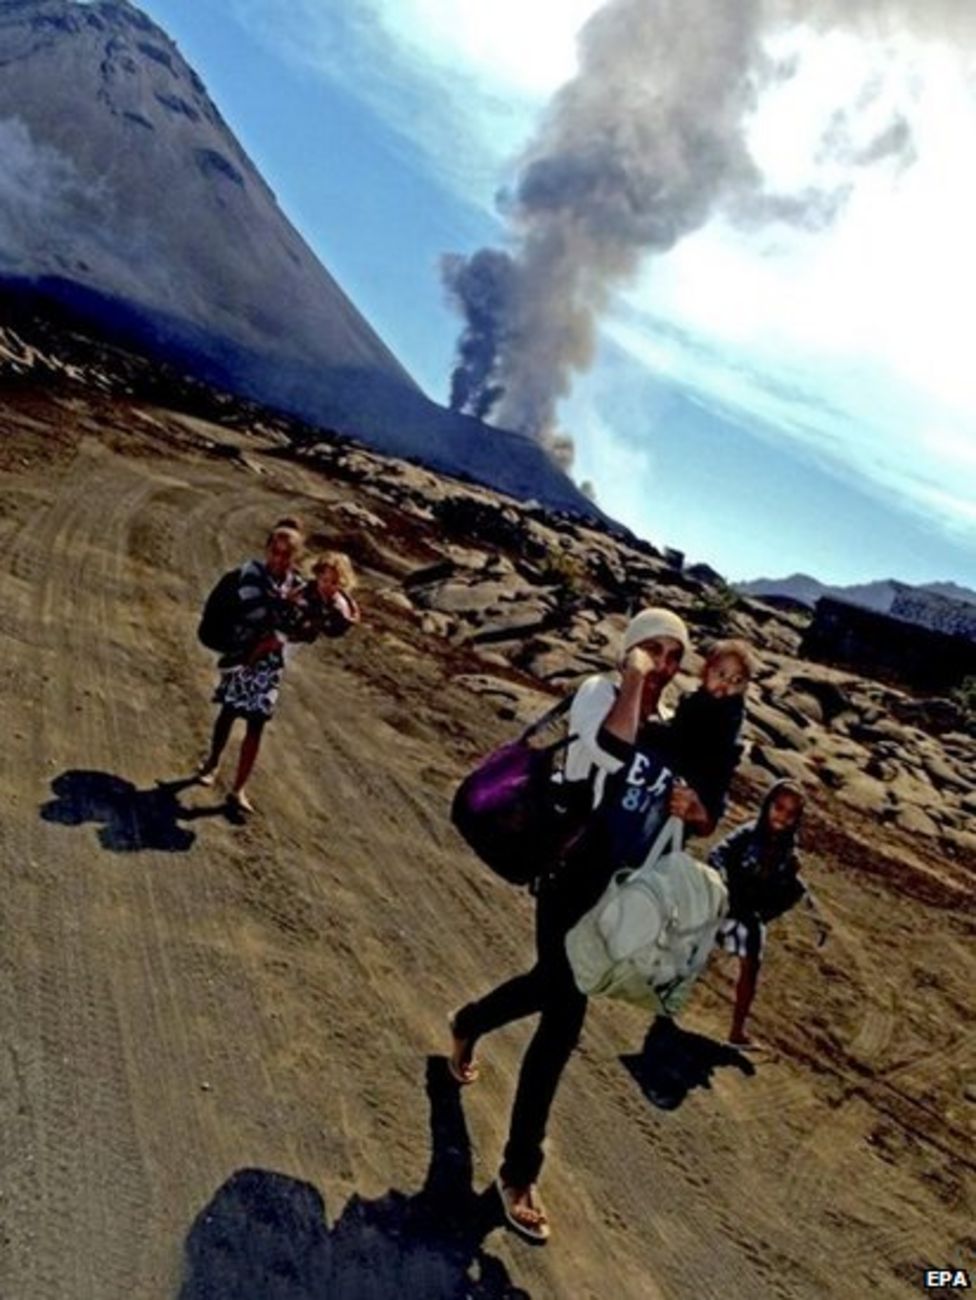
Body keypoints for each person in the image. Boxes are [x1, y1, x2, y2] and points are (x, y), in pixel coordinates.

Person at [447, 608, 732, 1244]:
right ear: (630, 651)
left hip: (618, 893)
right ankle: (519, 1174)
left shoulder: (672, 730)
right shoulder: (599, 695)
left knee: (550, 989)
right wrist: (631, 680)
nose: (663, 665)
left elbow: (697, 816)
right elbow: (611, 750)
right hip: (570, 874)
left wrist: (700, 812)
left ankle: (468, 1023)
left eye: (672, 656)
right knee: (564, 1014)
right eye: (652, 650)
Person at [195, 520, 306, 814]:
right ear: (267, 549)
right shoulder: (249, 577)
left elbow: (301, 627)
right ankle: (212, 763)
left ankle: (239, 788)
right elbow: (251, 613)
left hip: (270, 665)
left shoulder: (299, 587)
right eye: (275, 551)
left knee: (257, 723)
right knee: (229, 711)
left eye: (287, 554)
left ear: (296, 557)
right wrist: (284, 608)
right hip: (242, 656)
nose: (279, 558)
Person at [708, 779, 826, 1049]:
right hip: (726, 902)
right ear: (768, 805)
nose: (782, 817)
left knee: (751, 969)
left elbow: (783, 885)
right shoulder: (749, 833)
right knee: (691, 955)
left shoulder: (787, 847)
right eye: (778, 808)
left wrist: (789, 878)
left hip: (750, 913)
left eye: (790, 813)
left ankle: (737, 1030)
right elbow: (718, 853)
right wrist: (721, 882)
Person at [286, 551, 361, 644]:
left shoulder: (339, 607)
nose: (328, 586)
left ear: (341, 583)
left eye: (334, 583)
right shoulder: (308, 588)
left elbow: (337, 630)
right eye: (324, 580)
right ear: (317, 576)